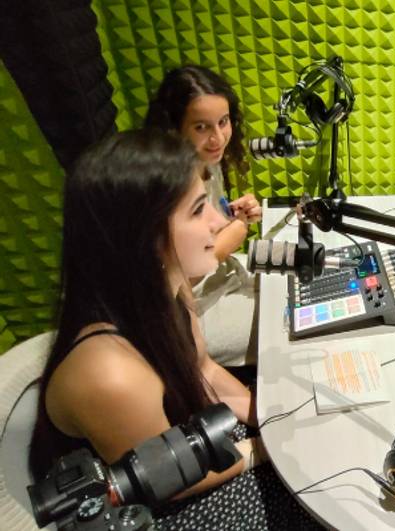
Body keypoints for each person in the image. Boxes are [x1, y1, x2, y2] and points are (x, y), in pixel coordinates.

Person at [28, 129, 319, 529]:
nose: (220, 222)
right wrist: (266, 449)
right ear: (144, 234)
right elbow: (166, 482)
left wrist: (272, 417)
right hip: (146, 498)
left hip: (176, 443)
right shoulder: (111, 375)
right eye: (200, 209)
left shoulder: (170, 284)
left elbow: (205, 369)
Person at [145, 65, 261, 367]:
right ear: (175, 128)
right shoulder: (165, 187)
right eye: (201, 127)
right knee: (289, 325)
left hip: (224, 279)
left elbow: (212, 227)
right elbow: (171, 276)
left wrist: (235, 215)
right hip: (190, 311)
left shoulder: (208, 163)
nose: (218, 138)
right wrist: (232, 236)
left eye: (223, 122)